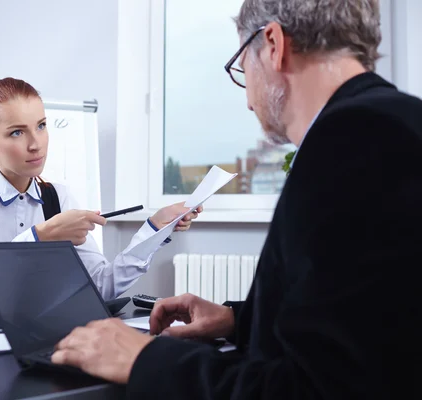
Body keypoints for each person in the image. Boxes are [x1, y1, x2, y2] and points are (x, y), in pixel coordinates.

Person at [50, 0, 422, 398]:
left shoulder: (352, 140)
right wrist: (238, 319)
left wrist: (145, 359)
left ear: (274, 44)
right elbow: (371, 323)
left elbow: (318, 389)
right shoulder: (397, 124)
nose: (248, 100)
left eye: (243, 69)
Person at [0, 78, 202, 317]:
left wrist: (153, 230)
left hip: (38, 336)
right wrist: (39, 236)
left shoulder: (59, 198)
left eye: (41, 126)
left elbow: (101, 286)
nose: (35, 143)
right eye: (17, 132)